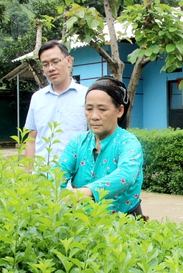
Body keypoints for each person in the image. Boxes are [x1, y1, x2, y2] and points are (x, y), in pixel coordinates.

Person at [58, 76, 146, 219]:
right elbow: (57, 174)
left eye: (102, 109)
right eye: (89, 109)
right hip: (83, 224)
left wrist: (87, 191)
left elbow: (126, 175)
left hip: (124, 225)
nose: (94, 116)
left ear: (120, 111)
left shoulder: (128, 143)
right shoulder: (78, 142)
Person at [24, 40, 87, 169]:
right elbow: (31, 139)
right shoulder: (37, 98)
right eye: (45, 64)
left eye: (55, 62)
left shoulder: (87, 96)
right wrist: (28, 174)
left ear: (69, 61)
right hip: (42, 177)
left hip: (75, 179)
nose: (51, 68)